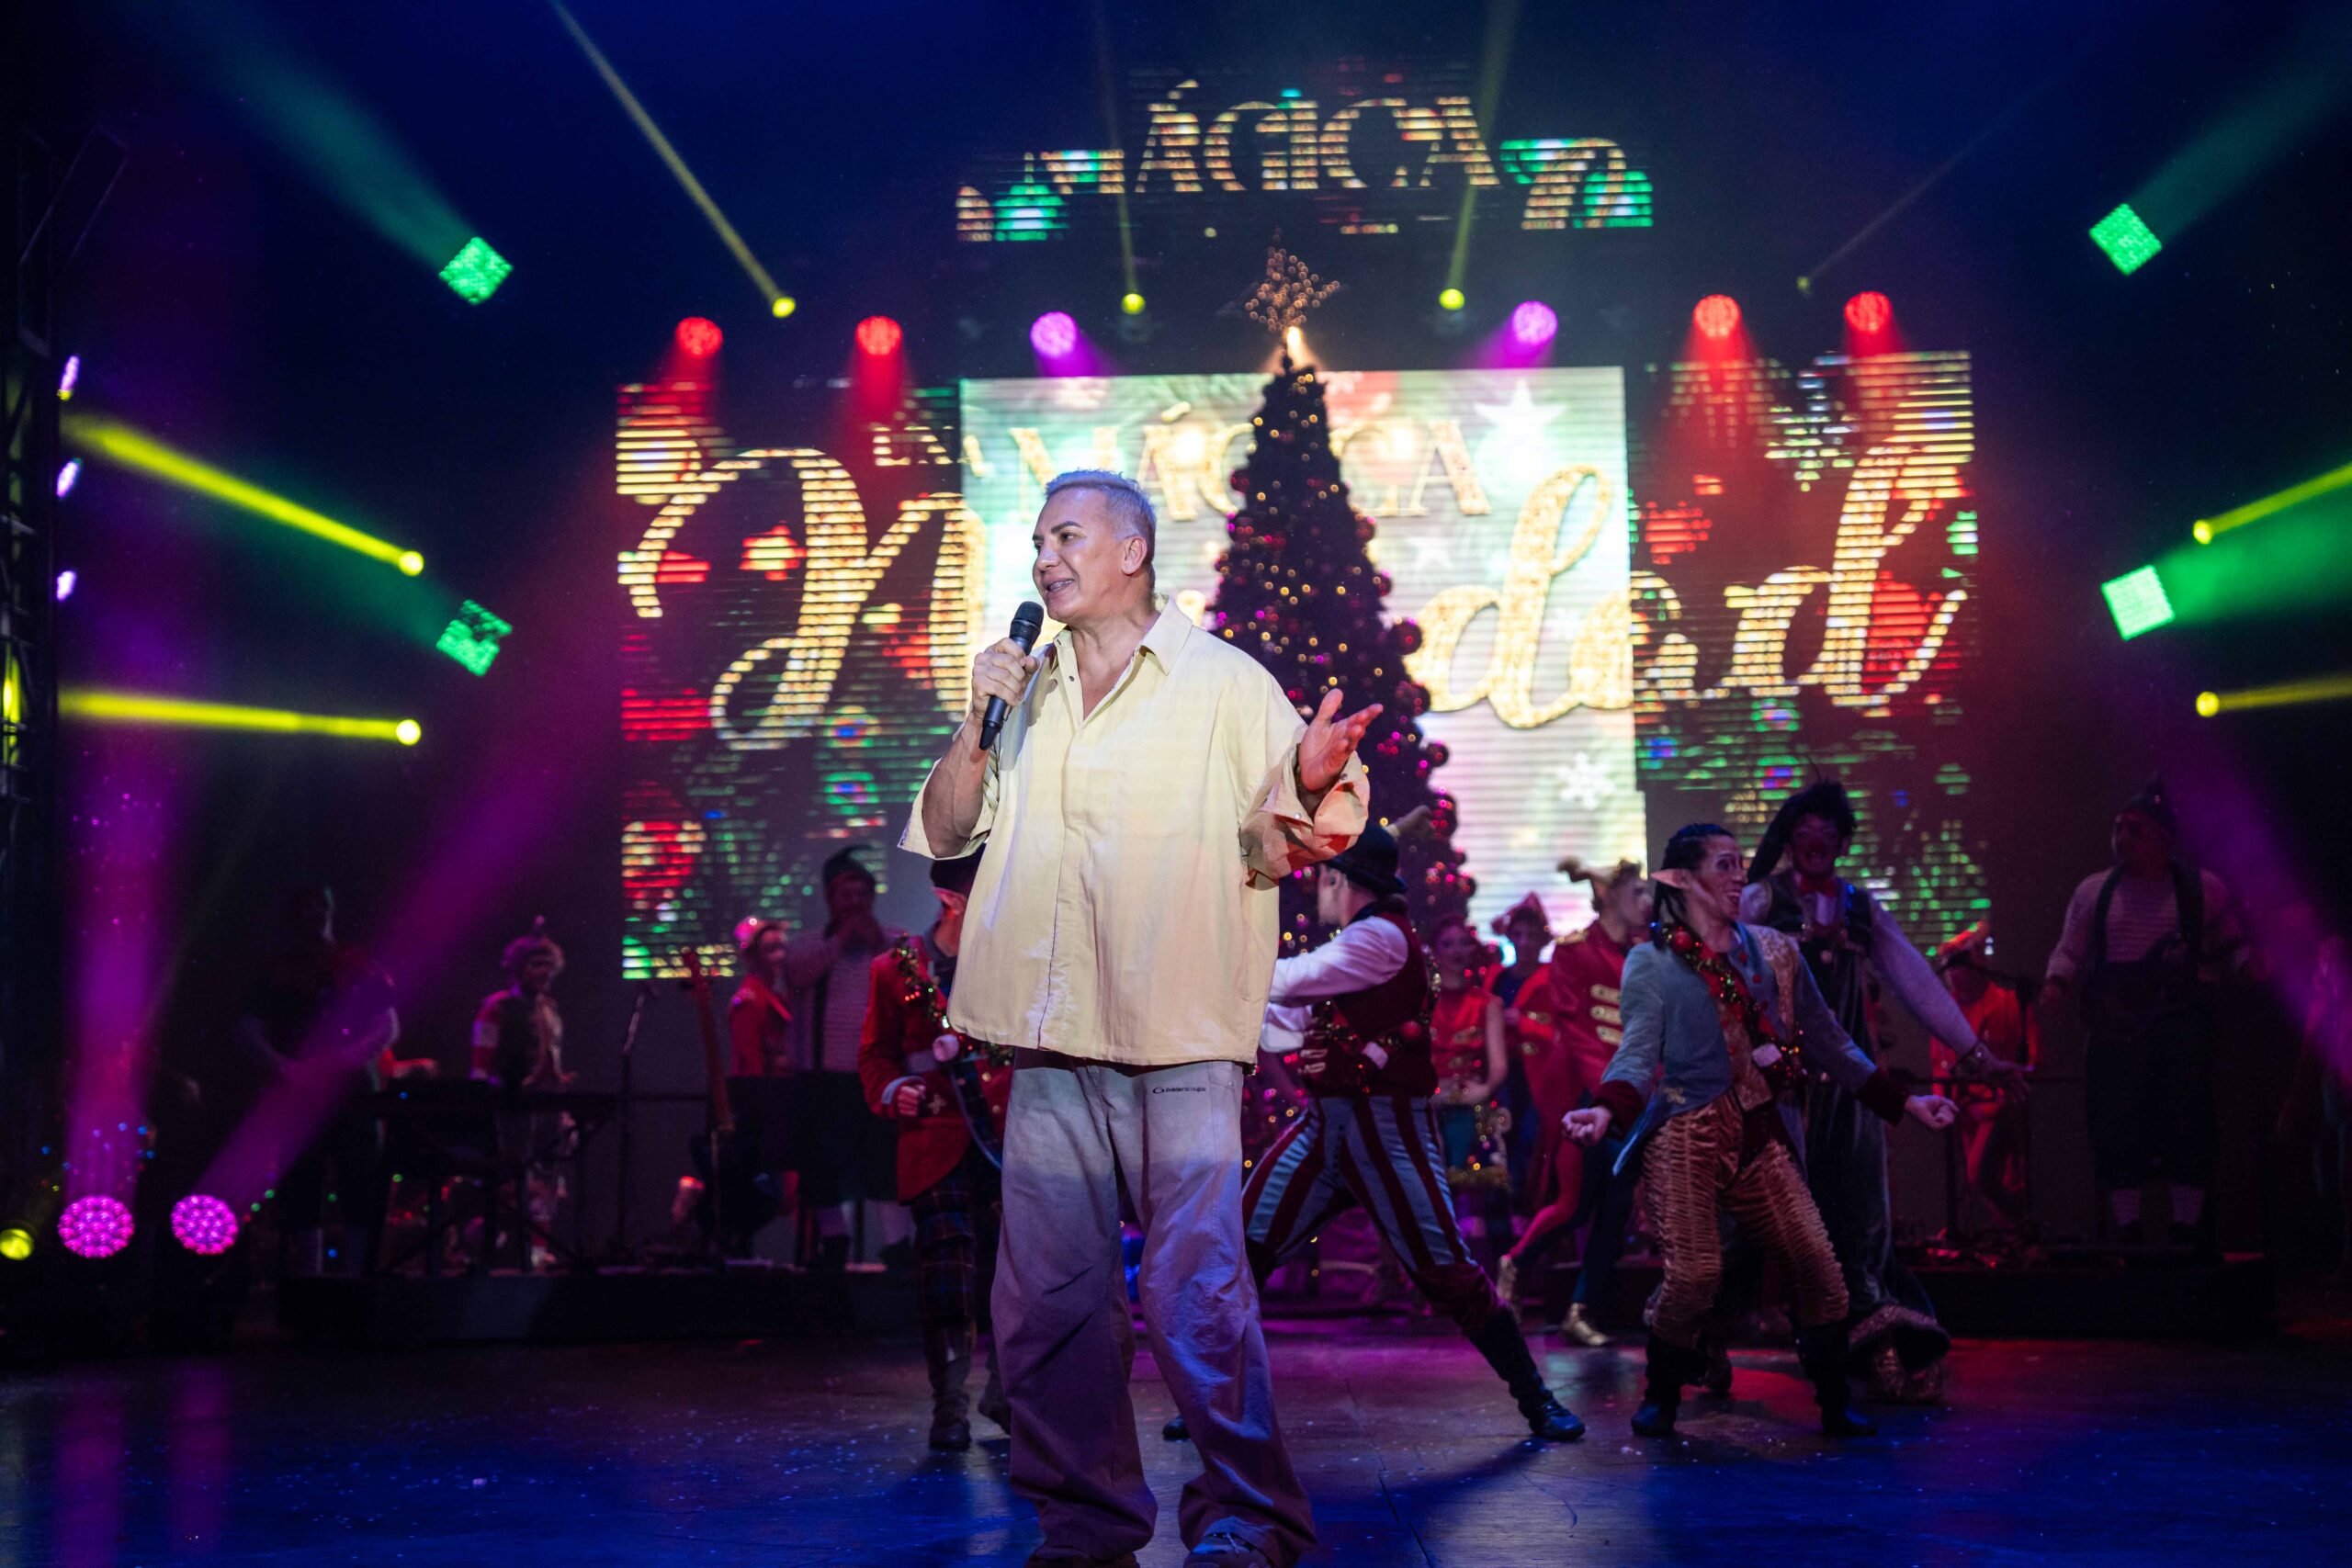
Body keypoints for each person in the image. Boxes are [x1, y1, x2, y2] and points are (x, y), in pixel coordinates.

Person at [902, 468, 1374, 1568]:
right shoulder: (1024, 691)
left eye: (1067, 537)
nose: (1044, 559)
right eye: (1038, 541)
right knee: (1048, 1302)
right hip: (1050, 1038)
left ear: (1132, 551)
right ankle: (1086, 1523)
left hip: (1177, 1036)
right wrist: (976, 724)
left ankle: (1251, 1518)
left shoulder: (1223, 683)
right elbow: (949, 831)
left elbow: (1281, 843)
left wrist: (1306, 784)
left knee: (1195, 1290)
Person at [1566, 823, 1958, 1439]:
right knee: (1695, 1277)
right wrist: (1605, 1111)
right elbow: (1637, 1052)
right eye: (1723, 865)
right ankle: (1662, 1393)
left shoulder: (1775, 951)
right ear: (1681, 879)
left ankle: (1834, 1402)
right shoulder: (1652, 961)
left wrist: (1905, 1102)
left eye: (1739, 863)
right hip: (1686, 1134)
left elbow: (1831, 1042)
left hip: (1759, 1133)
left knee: (1819, 1266)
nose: (1739, 876)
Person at [1234, 827, 1584, 1443]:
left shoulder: (1379, 935)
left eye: (1322, 875)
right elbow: (1284, 1026)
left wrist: (1225, 962)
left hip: (1386, 1131)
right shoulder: (1357, 941)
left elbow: (1289, 980)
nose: (1315, 887)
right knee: (1241, 1248)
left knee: (1446, 1270)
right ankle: (1217, 1398)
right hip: (1325, 1127)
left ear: (1339, 879)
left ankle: (1537, 1398)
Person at [1740, 779, 2023, 1400]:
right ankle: (1703, 1343)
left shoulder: (1861, 910)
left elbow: (1916, 981)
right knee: (1763, 1227)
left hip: (1850, 1089)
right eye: (1805, 827)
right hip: (1778, 1088)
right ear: (1791, 838)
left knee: (1861, 1220)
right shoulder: (1760, 901)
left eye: (1829, 829)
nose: (1816, 838)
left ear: (1842, 842)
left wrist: (1977, 1056)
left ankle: (1877, 1348)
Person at [2042, 779, 2249, 1246]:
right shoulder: (2094, 891)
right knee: (2117, 1123)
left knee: (2186, 1120)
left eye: (2135, 829)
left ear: (2164, 838)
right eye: (2118, 828)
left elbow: (2233, 942)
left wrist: (2247, 965)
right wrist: (2056, 984)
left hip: (2179, 1025)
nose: (2122, 838)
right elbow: (2070, 949)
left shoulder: (2203, 890)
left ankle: (2185, 1226)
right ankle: (2129, 1229)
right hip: (2116, 1025)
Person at [859, 852, 1012, 1451]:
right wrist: (895, 1090)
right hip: (936, 1139)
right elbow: (876, 1055)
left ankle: (1005, 1392)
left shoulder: (1011, 961)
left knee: (1013, 1272)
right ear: (950, 899)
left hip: (1008, 1139)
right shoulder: (895, 968)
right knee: (946, 1272)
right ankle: (949, 1404)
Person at [1495, 858, 1650, 1348]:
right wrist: (1612, 1094)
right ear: (1609, 895)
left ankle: (1582, 1309)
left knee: (1616, 1208)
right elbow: (1577, 1030)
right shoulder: (1573, 952)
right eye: (1638, 892)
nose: (1648, 901)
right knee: (1574, 1206)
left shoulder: (1645, 953)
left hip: (1628, 1096)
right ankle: (1515, 1263)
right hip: (1586, 1095)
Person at [230, 881, 402, 1276]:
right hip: (299, 1088)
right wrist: (286, 1067)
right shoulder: (277, 968)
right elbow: (247, 1029)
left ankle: (357, 1279)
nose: (314, 913)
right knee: (302, 1185)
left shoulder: (357, 962)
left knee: (360, 1181)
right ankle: (309, 1281)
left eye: (320, 904)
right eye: (305, 906)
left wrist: (342, 1061)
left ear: (331, 909)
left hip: (350, 1089)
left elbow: (387, 1025)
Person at [782, 848, 906, 1269]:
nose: (855, 904)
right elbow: (797, 976)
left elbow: (911, 986)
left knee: (885, 1164)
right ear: (830, 900)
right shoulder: (806, 945)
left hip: (878, 1073)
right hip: (823, 1076)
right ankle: (834, 1244)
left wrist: (876, 945)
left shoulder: (894, 942)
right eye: (845, 895)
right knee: (824, 1169)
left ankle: (897, 1248)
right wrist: (839, 943)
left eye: (862, 895)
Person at [470, 920, 574, 1263]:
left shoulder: (550, 1010)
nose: (543, 971)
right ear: (518, 967)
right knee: (508, 1184)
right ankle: (487, 1253)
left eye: (547, 964)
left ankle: (538, 1255)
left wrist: (562, 1109)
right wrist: (483, 1108)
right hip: (509, 1109)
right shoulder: (496, 1008)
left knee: (547, 1182)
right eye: (535, 964)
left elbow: (553, 1061)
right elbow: (481, 1067)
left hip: (546, 1110)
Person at [1933, 924, 2039, 1233]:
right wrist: (1945, 1106)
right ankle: (2013, 1234)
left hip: (2002, 1107)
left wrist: (1999, 1098)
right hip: (1965, 1111)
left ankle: (2025, 1230)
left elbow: (2033, 1059)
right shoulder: (1944, 1012)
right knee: (1975, 1181)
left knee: (1988, 1175)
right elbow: (1939, 1064)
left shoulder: (2009, 1003)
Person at [1430, 916, 1510, 1199]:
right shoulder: (1420, 1003)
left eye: (1463, 943)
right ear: (1435, 950)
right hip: (1428, 1106)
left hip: (1473, 1105)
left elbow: (1498, 1065)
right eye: (1448, 944)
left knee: (1490, 1193)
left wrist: (1483, 1091)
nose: (1456, 951)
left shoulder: (1488, 1003)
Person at [1488, 894, 1553, 1197]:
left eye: (1531, 935)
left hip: (1541, 1074)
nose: (1524, 942)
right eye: (1518, 934)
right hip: (1503, 1071)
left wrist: (1524, 1023)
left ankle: (1528, 1201)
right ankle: (1506, 1201)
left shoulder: (1553, 978)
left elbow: (1564, 1030)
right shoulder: (1497, 977)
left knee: (1532, 1138)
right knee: (1502, 1135)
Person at [729, 919, 794, 1078]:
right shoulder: (750, 1001)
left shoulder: (774, 995)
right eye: (771, 949)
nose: (780, 955)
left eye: (783, 948)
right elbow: (752, 1067)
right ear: (753, 957)